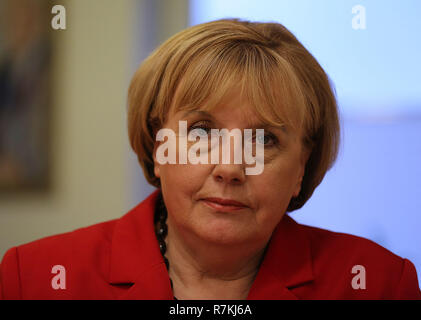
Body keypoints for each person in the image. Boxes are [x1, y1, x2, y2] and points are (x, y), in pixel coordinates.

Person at [1, 18, 420, 300]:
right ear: (155, 146)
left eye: (266, 141)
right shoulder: (36, 278)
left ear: (301, 168)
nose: (230, 168)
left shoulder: (377, 284)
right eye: (201, 132)